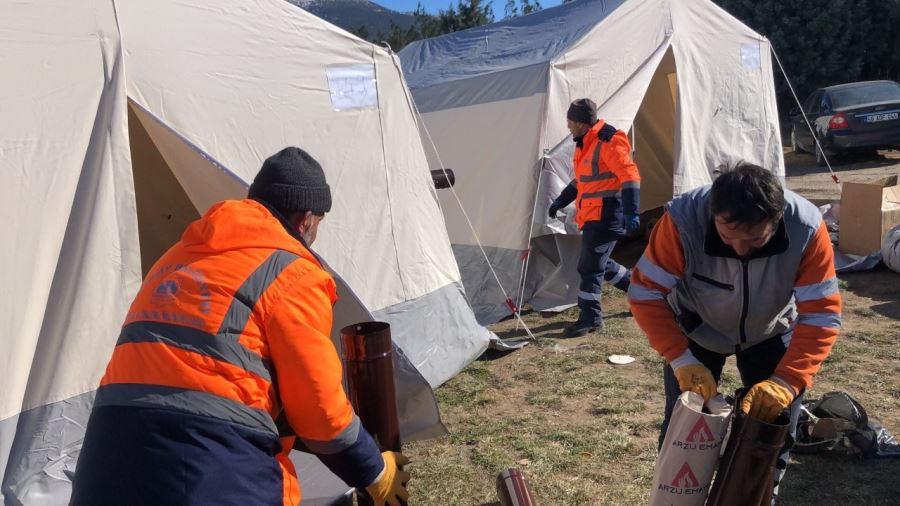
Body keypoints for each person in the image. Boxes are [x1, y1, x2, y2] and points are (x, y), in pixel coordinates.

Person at [71, 147, 409, 506]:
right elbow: (319, 409)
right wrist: (373, 470)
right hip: (207, 471)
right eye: (319, 225)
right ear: (306, 220)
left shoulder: (175, 258)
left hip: (104, 468)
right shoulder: (294, 274)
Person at [628, 163, 841, 499]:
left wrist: (787, 381)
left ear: (778, 217)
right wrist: (680, 359)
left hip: (771, 331)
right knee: (684, 425)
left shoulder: (807, 228)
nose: (739, 249)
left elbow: (821, 314)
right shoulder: (683, 221)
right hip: (697, 330)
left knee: (772, 430)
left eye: (755, 239)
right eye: (728, 237)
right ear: (713, 213)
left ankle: (758, 495)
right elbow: (645, 293)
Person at [548, 98, 642, 337]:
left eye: (569, 121)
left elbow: (629, 175)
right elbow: (581, 181)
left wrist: (632, 211)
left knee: (590, 267)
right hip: (592, 215)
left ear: (580, 123)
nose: (567, 126)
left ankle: (591, 317)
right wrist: (561, 200)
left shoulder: (608, 140)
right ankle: (641, 291)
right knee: (602, 263)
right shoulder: (585, 144)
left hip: (608, 214)